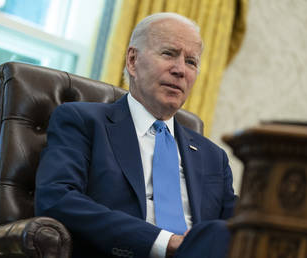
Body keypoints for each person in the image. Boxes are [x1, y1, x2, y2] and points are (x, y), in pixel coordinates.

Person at [35, 12, 236, 258]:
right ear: (133, 60)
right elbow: (57, 198)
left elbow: (239, 228)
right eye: (169, 54)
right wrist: (165, 242)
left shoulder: (213, 156)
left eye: (191, 62)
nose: (180, 70)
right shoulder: (83, 122)